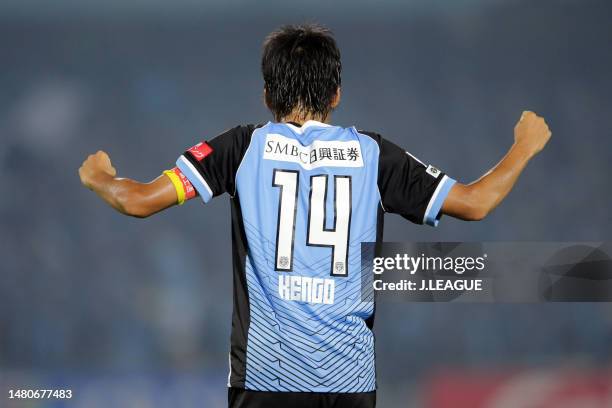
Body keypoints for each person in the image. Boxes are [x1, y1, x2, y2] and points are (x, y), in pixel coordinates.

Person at [78, 23, 551, 408]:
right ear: (337, 93)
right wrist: (523, 147)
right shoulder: (372, 155)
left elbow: (137, 201)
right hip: (348, 383)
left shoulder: (240, 148)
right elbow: (475, 202)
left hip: (265, 380)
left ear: (267, 95)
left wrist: (99, 176)